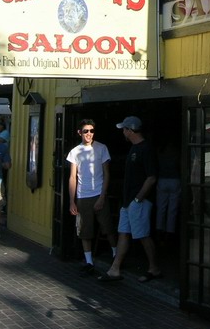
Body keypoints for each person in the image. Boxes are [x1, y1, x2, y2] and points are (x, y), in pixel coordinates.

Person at [99, 116, 162, 284]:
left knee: (142, 235)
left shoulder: (145, 149)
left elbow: (151, 177)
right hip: (128, 201)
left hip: (138, 201)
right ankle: (115, 269)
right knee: (124, 233)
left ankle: (154, 268)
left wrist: (138, 198)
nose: (123, 132)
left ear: (130, 130)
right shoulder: (134, 148)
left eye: (124, 129)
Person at [66, 119, 118, 275]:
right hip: (83, 195)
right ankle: (89, 261)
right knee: (85, 230)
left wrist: (102, 196)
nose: (89, 134)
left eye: (91, 131)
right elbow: (73, 177)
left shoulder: (101, 148)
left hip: (98, 193)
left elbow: (107, 174)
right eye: (86, 131)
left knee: (107, 227)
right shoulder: (75, 151)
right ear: (80, 133)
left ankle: (116, 255)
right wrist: (72, 201)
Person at [155, 138, 182, 245]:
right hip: (175, 179)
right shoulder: (177, 152)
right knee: (172, 209)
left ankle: (158, 232)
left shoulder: (160, 151)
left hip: (162, 179)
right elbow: (180, 165)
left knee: (161, 208)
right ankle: (169, 234)